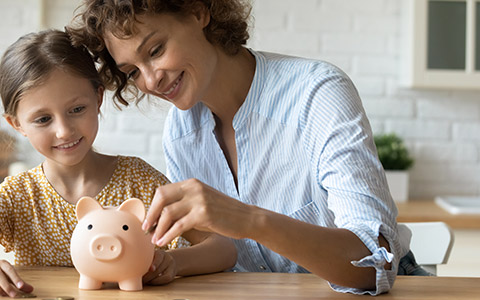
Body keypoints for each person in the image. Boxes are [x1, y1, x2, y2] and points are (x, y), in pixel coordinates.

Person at [65, 0, 413, 295]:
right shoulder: (181, 130)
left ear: (198, 12)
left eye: (155, 51)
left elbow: (373, 265)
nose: (151, 80)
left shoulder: (316, 94)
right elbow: (227, 252)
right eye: (133, 71)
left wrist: (248, 219)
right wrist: (169, 262)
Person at [0, 29, 237, 298]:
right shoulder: (19, 195)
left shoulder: (139, 181)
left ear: (98, 98)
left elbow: (223, 248)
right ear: (17, 125)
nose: (64, 130)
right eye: (43, 119)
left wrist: (173, 262)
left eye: (77, 109)